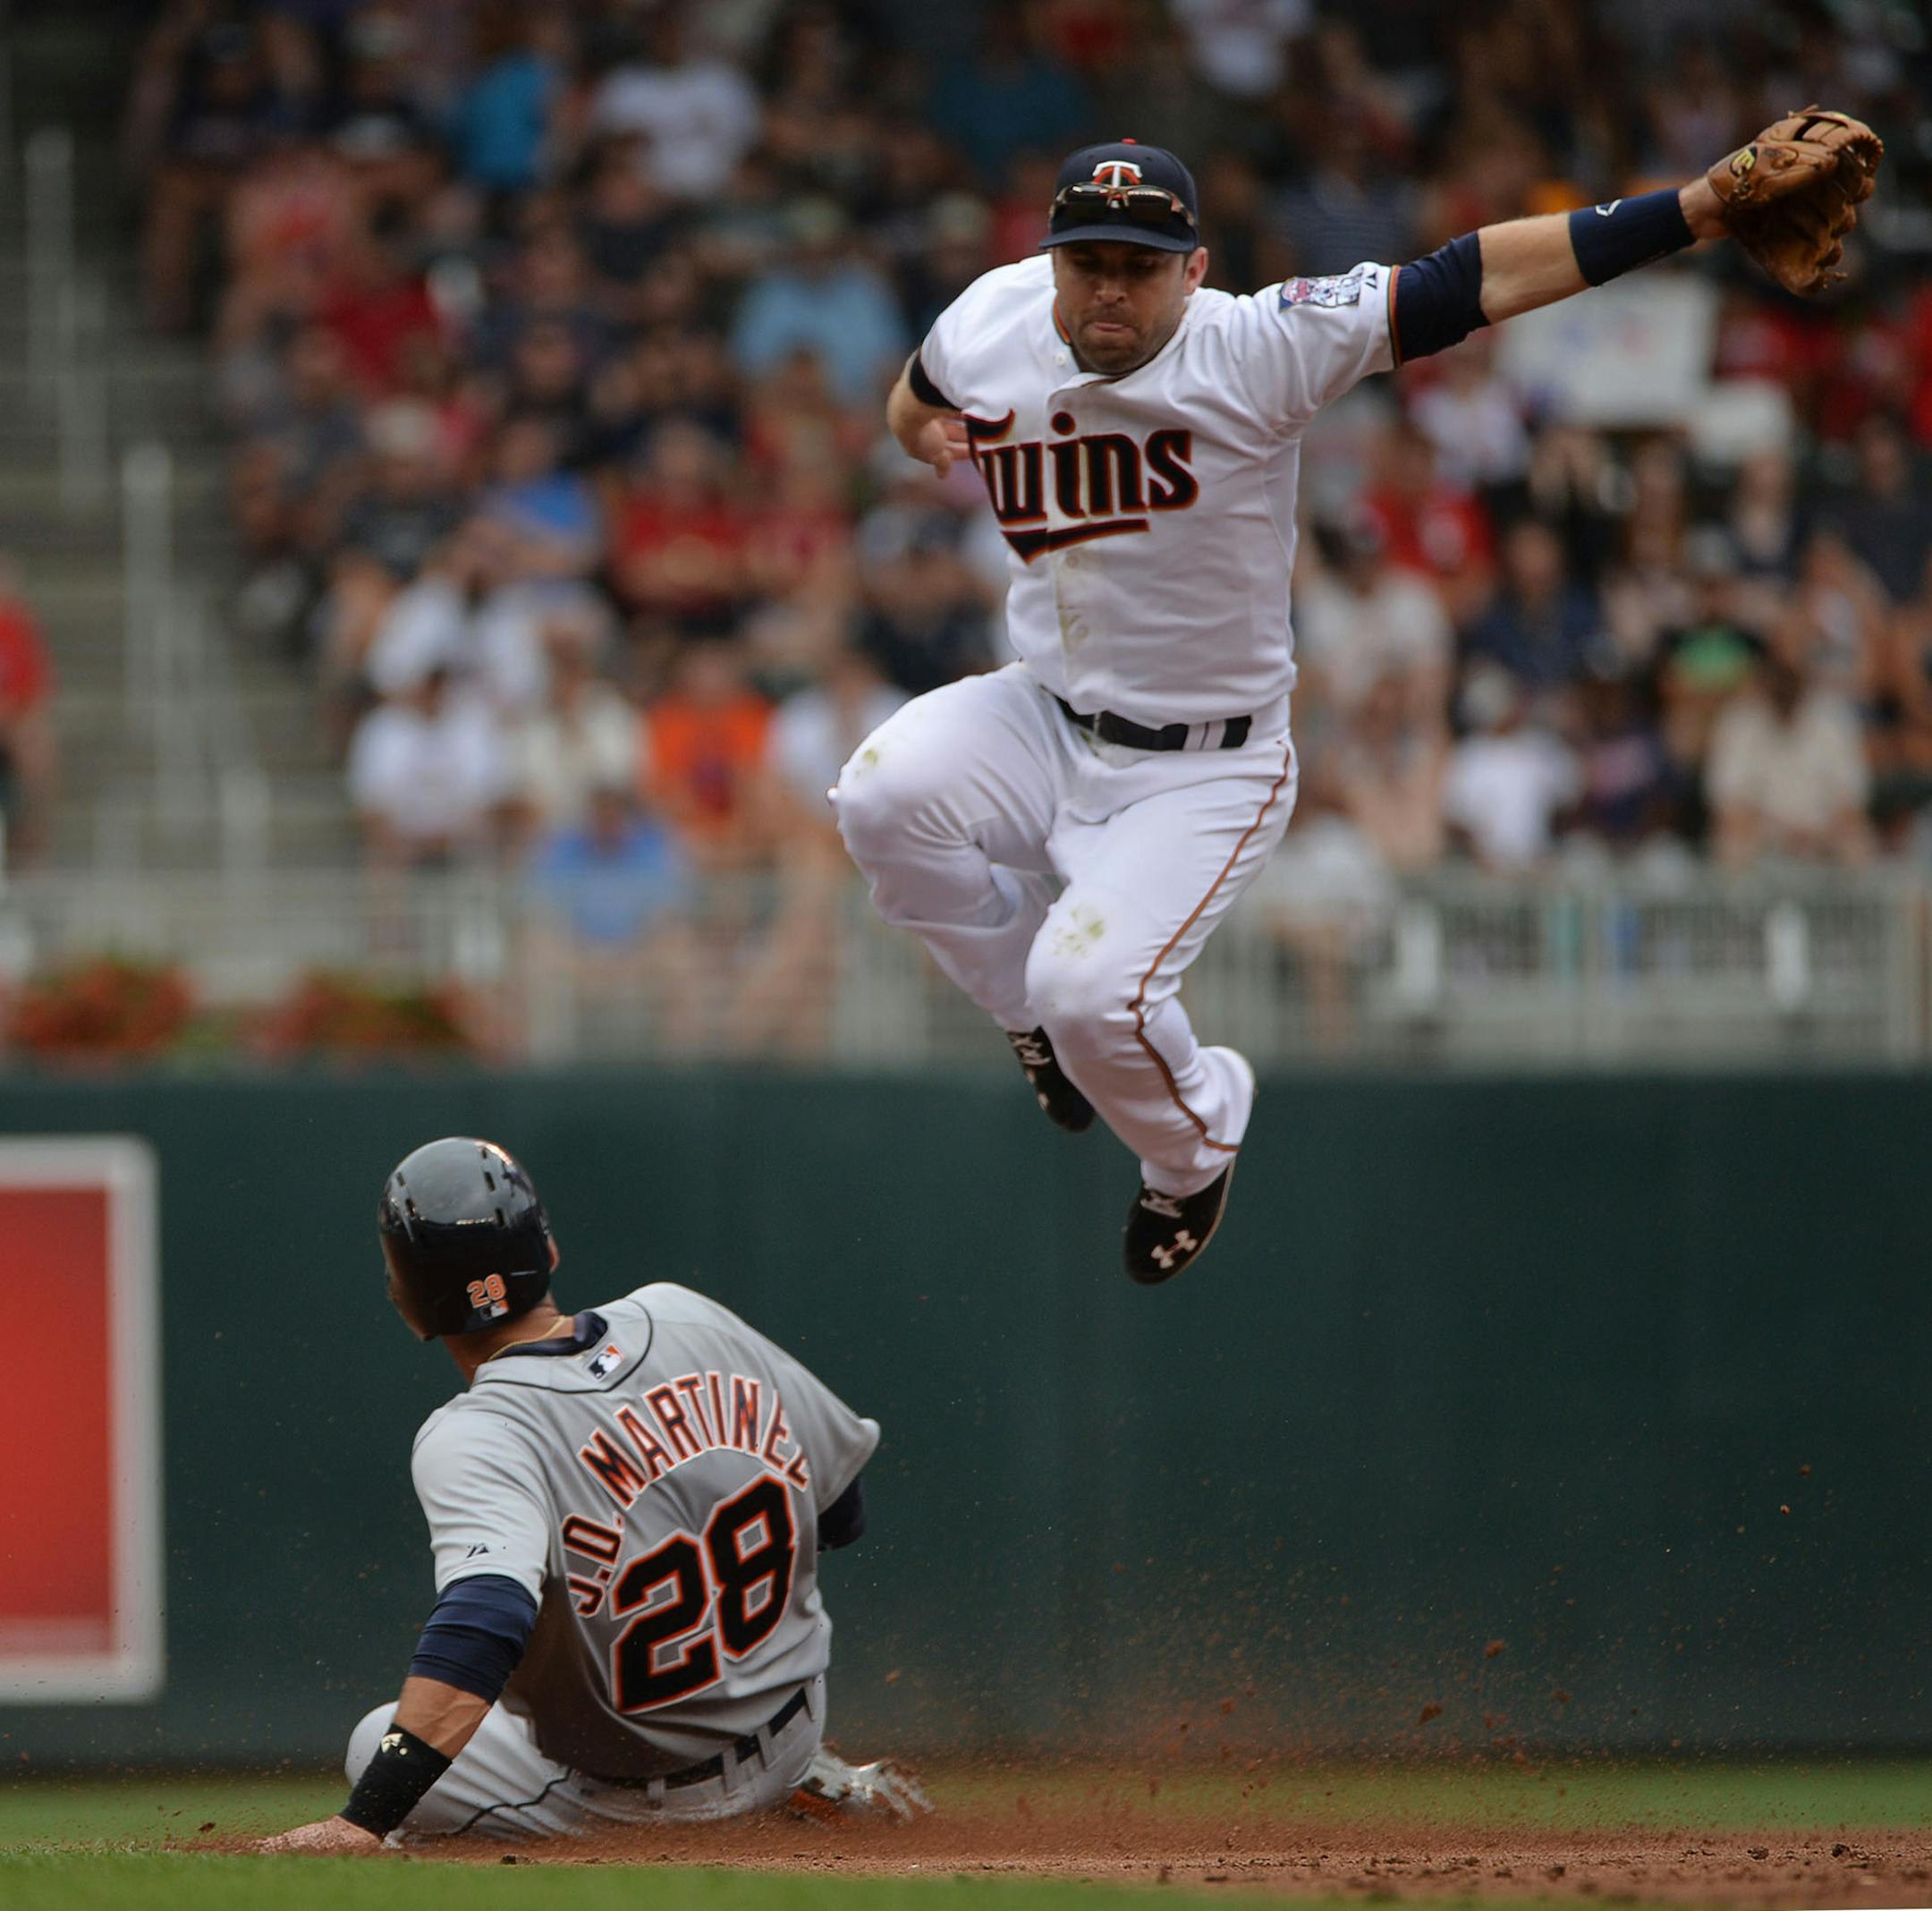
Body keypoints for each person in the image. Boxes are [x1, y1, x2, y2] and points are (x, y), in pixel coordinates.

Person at [841, 132, 1813, 1283]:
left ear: (1193, 271)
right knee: (879, 798)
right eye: (1086, 259)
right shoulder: (995, 314)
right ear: (1051, 259)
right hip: (1043, 710)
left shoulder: (1257, 345)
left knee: (1089, 985)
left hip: (1203, 765)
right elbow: (923, 388)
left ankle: (1195, 1145)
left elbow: (1471, 278)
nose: (1107, 285)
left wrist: (1695, 208)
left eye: (1139, 264)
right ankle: (1027, 1020)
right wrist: (915, 428)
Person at [258, 1137, 928, 1853]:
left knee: (377, 1747)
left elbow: (485, 1619)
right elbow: (842, 1510)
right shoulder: (684, 1315)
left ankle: (704, 1824)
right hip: (794, 1724)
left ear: (408, 1300)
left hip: (638, 1797)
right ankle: (810, 1782)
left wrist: (364, 1820)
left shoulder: (478, 1433)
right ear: (546, 1250)